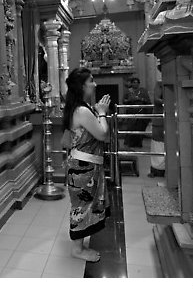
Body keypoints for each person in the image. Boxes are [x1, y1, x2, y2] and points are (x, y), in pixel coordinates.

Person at [62, 68, 110, 262]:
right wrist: (102, 113)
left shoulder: (79, 108)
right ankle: (77, 249)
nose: (95, 84)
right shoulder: (82, 110)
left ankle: (79, 245)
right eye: (91, 80)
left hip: (84, 165)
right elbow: (103, 135)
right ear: (82, 85)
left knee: (84, 204)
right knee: (82, 206)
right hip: (84, 168)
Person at [123, 77, 151, 148]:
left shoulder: (143, 91)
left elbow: (148, 101)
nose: (135, 84)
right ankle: (130, 143)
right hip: (131, 111)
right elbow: (124, 101)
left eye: (137, 83)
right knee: (131, 127)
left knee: (140, 128)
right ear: (131, 83)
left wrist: (140, 99)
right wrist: (130, 100)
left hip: (141, 111)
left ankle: (139, 143)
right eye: (134, 82)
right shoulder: (128, 91)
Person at [149, 66, 165, 178]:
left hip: (168, 118)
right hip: (160, 118)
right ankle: (157, 169)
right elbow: (156, 99)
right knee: (158, 144)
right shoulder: (159, 84)